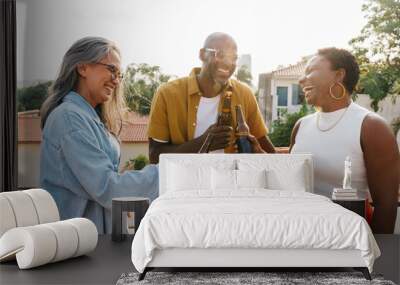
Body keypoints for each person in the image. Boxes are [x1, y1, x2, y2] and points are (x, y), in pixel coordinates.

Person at [40, 37, 158, 234]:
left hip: (95, 236)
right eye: (111, 69)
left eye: (119, 74)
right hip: (77, 242)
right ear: (82, 68)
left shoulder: (88, 117)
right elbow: (108, 188)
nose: (116, 80)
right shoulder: (70, 119)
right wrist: (164, 174)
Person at [289, 47, 399, 233]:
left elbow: (385, 206)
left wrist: (372, 260)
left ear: (339, 75)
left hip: (346, 242)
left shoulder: (371, 127)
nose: (301, 80)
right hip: (297, 235)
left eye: (310, 71)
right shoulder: (301, 125)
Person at [147, 32, 275, 163]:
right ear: (202, 55)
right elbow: (155, 156)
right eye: (220, 54)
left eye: (233, 58)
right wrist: (203, 143)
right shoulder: (167, 94)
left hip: (232, 182)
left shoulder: (245, 94)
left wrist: (257, 152)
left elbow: (270, 153)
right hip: (185, 182)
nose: (227, 63)